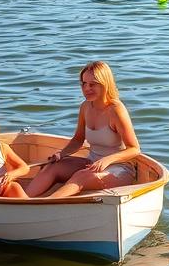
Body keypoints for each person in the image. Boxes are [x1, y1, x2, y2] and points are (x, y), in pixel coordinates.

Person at [24, 61, 140, 198]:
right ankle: (22, 202)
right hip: (92, 163)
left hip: (119, 169)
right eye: (84, 84)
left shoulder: (116, 110)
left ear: (105, 83)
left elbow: (134, 149)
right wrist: (61, 154)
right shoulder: (85, 107)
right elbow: (78, 140)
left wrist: (106, 160)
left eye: (92, 84)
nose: (86, 88)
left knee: (81, 176)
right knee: (52, 167)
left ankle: (48, 203)